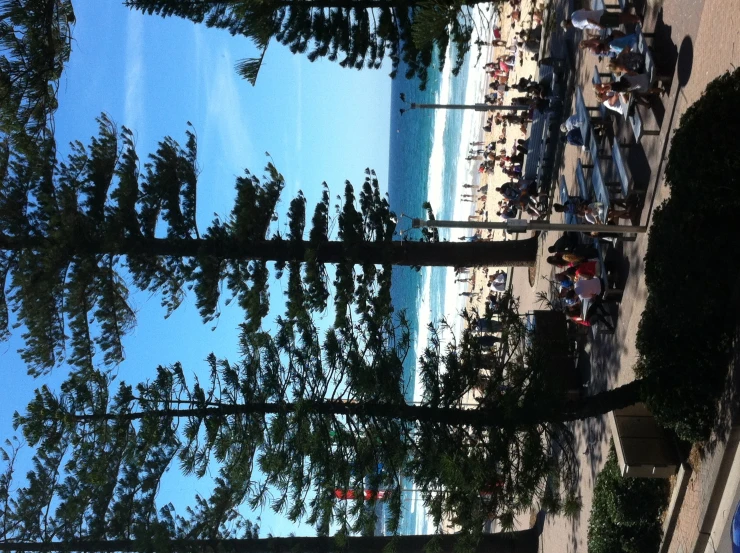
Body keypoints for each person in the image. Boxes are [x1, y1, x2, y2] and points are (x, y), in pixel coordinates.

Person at [561, 9, 640, 32]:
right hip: (599, 13)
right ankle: (635, 17)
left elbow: (588, 20)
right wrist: (593, 12)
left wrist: (599, 25)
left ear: (567, 25)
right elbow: (585, 9)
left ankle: (637, 19)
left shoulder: (575, 23)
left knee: (619, 20)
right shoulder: (573, 14)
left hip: (600, 20)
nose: (568, 27)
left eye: (567, 27)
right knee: (619, 15)